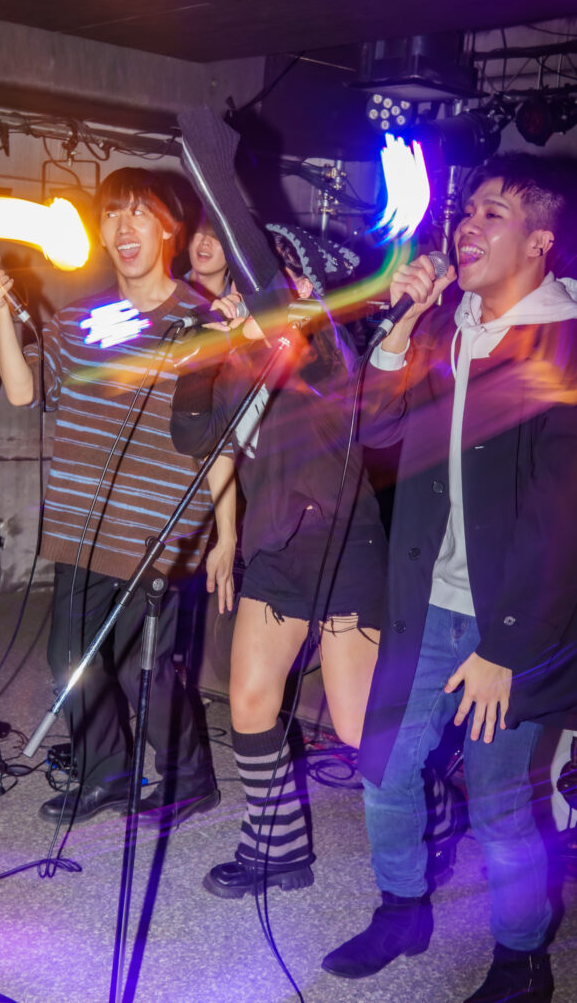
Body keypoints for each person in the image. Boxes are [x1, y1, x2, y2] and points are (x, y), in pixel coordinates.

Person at [322, 153, 577, 1003]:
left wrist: (505, 648)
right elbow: (376, 433)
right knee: (384, 770)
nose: (467, 225)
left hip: (516, 620)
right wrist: (401, 324)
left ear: (539, 241)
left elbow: (562, 520)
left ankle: (521, 960)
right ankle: (402, 910)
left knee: (499, 800)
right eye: (465, 212)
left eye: (492, 214)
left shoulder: (566, 344)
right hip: (427, 602)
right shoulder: (443, 326)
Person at [0, 167, 234, 826]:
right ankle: (106, 774)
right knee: (70, 658)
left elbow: (223, 441)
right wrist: (0, 309)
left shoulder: (202, 323)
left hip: (156, 527)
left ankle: (188, 779)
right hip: (81, 522)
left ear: (169, 229)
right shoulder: (83, 320)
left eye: (138, 212)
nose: (122, 227)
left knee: (145, 667)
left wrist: (225, 536)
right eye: (111, 214)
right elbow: (23, 391)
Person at [171, 223, 387, 898]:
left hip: (343, 546)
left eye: (277, 276)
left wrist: (259, 334)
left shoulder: (327, 347)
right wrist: (205, 354)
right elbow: (199, 439)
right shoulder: (243, 350)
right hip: (273, 545)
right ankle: (276, 850)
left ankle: (435, 808)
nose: (261, 289)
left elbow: (313, 395)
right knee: (250, 701)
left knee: (355, 725)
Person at [184, 212, 230, 301]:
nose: (205, 241)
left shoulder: (242, 307)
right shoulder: (162, 290)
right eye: (200, 231)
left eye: (217, 236)